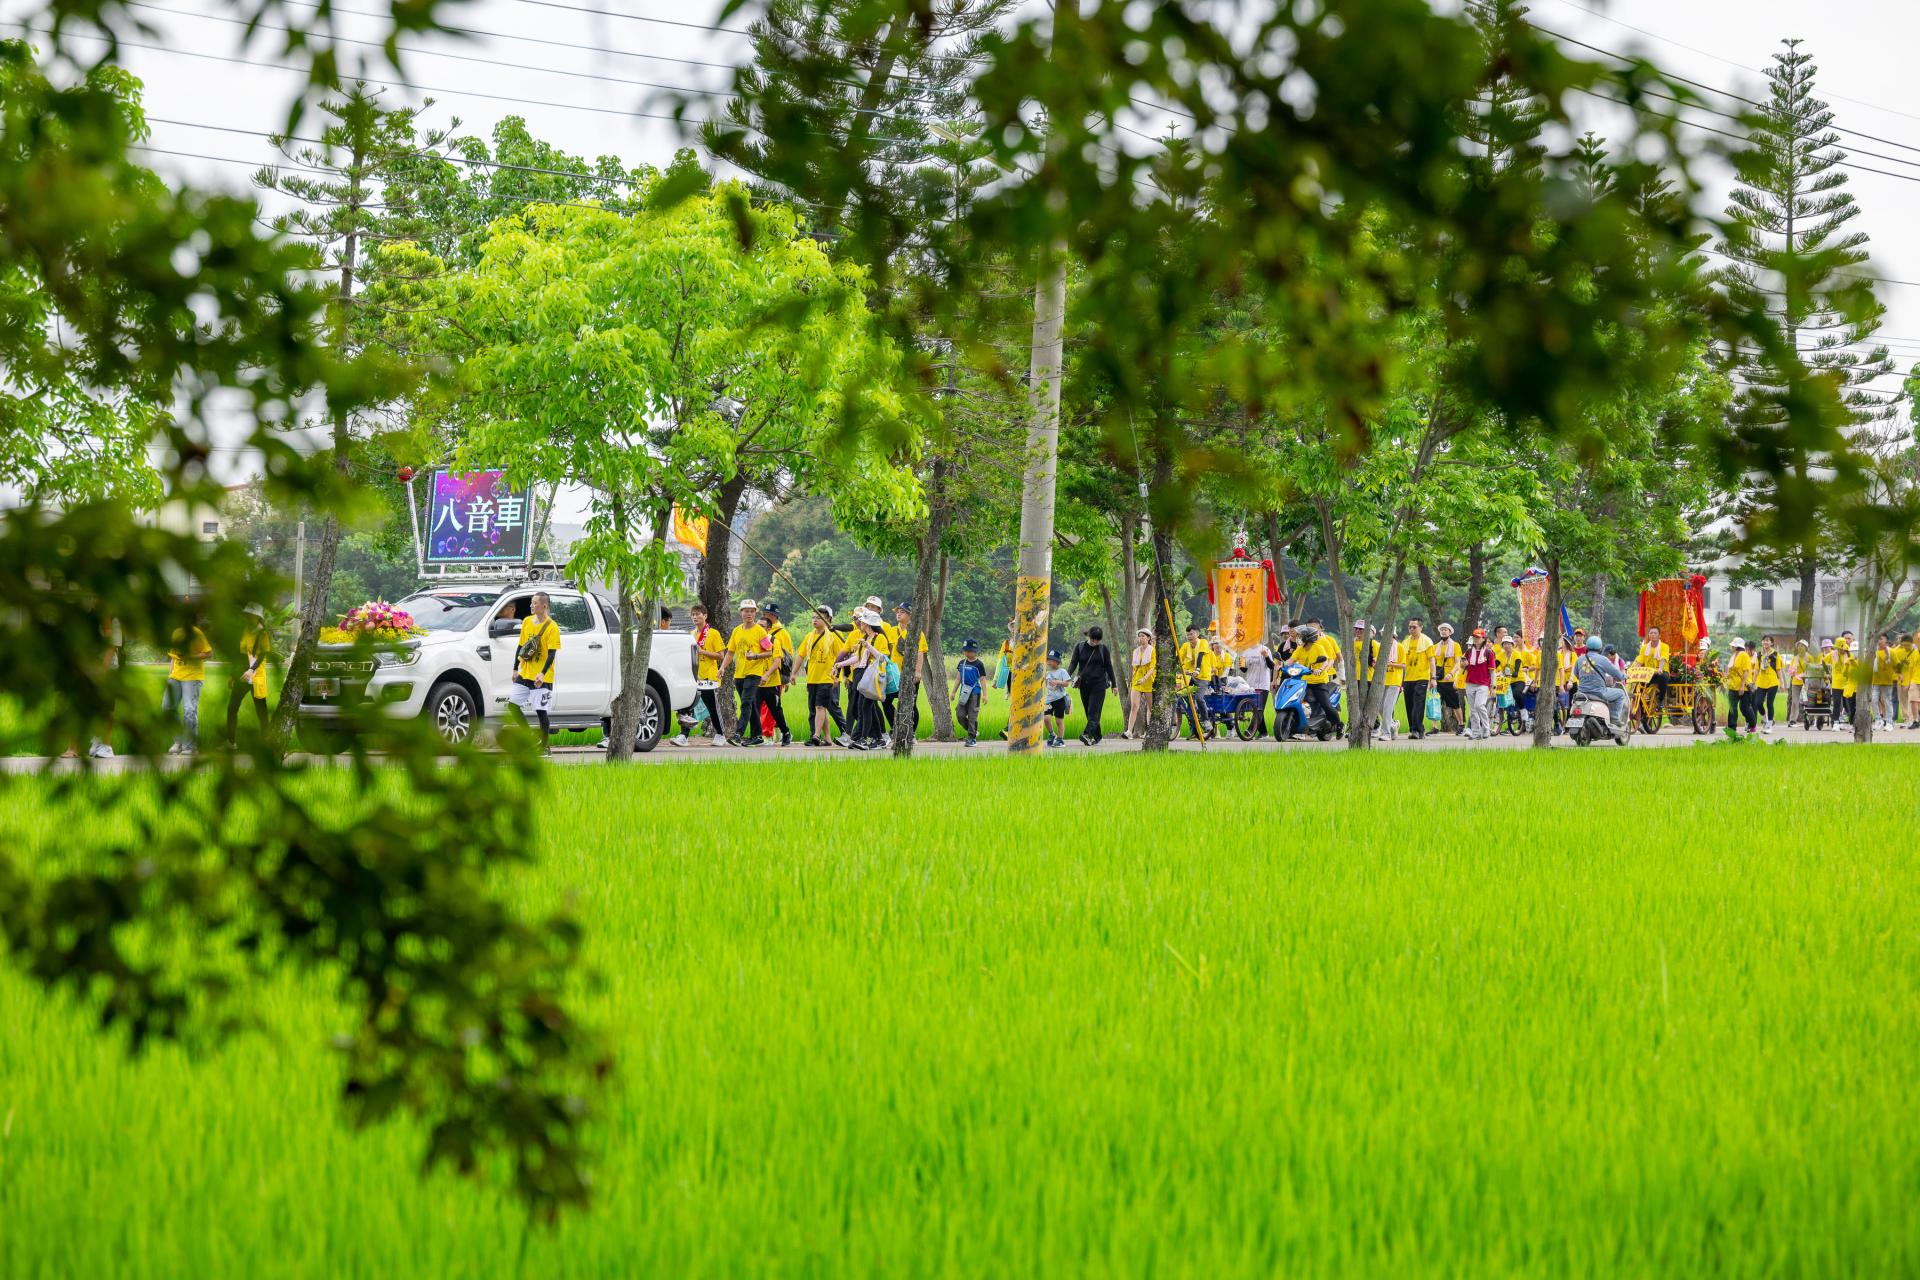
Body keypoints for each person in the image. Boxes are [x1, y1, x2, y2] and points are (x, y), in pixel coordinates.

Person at [506, 591, 560, 751]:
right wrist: (516, 668)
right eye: (531, 602)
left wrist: (542, 674)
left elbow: (552, 654)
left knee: (541, 711)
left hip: (541, 676)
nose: (531, 605)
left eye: (535, 603)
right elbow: (521, 646)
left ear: (544, 606)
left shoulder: (552, 627)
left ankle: (544, 746)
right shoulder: (527, 621)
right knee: (513, 706)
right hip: (525, 672)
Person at [673, 603, 727, 747]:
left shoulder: (713, 633)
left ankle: (720, 734)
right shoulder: (691, 635)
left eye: (698, 614)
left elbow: (721, 655)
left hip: (708, 676)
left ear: (705, 616)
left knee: (712, 706)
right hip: (694, 676)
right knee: (688, 705)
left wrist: (702, 652)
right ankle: (684, 735)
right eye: (693, 615)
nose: (695, 617)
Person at [720, 599, 772, 746]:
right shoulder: (736, 631)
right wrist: (722, 667)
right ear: (741, 612)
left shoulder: (760, 631)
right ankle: (757, 735)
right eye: (746, 611)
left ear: (755, 613)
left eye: (752, 611)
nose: (749, 613)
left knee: (746, 703)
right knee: (751, 705)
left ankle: (738, 734)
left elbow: (769, 652)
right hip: (739, 674)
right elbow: (730, 652)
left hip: (754, 673)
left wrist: (755, 656)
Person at [795, 606, 845, 746]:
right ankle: (827, 737)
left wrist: (837, 676)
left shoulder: (834, 635)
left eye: (819, 617)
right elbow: (800, 655)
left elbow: (841, 657)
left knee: (820, 707)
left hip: (827, 677)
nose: (815, 620)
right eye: (814, 617)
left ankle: (816, 735)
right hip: (812, 678)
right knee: (815, 709)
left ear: (828, 619)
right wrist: (793, 673)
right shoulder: (809, 637)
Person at [164, 612, 212, 755]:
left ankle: (190, 746)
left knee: (189, 710)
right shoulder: (176, 633)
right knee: (167, 708)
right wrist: (170, 675)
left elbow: (208, 653)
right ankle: (178, 742)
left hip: (193, 676)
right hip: (176, 676)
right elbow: (173, 657)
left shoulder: (197, 634)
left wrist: (191, 656)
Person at [226, 603, 272, 748]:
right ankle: (231, 742)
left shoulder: (262, 633)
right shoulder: (246, 631)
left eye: (250, 615)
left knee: (261, 711)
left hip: (256, 676)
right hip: (242, 676)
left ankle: (267, 743)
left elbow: (263, 654)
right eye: (247, 614)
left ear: (257, 616)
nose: (247, 617)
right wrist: (232, 675)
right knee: (232, 708)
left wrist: (252, 670)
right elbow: (240, 655)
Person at [1069, 626, 1118, 744]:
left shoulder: (1103, 649)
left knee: (1094, 711)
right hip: (1084, 685)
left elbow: (1109, 667)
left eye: (1097, 640)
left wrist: (1114, 685)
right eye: (1093, 639)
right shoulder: (1080, 647)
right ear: (1088, 636)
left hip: (1099, 684)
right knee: (1088, 711)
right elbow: (1073, 664)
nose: (1095, 642)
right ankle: (1098, 737)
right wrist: (1065, 676)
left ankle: (1086, 734)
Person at [757, 602, 796, 746]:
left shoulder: (781, 634)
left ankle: (768, 734)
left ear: (773, 616)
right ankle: (775, 732)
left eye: (768, 615)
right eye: (765, 614)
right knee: (762, 706)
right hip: (759, 675)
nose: (765, 616)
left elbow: (787, 657)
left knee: (771, 707)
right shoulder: (757, 633)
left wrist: (785, 678)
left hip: (774, 676)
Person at [1573, 635, 1628, 728]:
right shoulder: (1603, 659)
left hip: (1582, 692)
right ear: (1600, 648)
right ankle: (1614, 718)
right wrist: (1624, 676)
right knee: (1621, 693)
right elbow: (1616, 673)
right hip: (1599, 692)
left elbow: (1576, 674)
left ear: (1587, 646)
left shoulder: (1580, 659)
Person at [1295, 623, 1341, 733]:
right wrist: (1280, 665)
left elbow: (1327, 660)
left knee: (1326, 705)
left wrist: (1320, 670)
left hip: (1319, 681)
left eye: (1301, 636)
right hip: (1304, 682)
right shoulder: (1300, 648)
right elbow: (1291, 660)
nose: (1299, 638)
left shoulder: (1320, 646)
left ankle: (1339, 725)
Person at [1399, 618, 1433, 739]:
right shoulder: (1405, 642)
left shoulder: (1427, 641)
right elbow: (1402, 661)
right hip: (1408, 678)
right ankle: (1416, 729)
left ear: (1421, 627)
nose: (1412, 629)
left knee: (1418, 703)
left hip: (1422, 677)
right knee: (1409, 704)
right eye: (1410, 627)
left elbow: (1432, 660)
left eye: (1414, 627)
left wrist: (1432, 678)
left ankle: (1416, 730)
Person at [951, 640, 988, 746]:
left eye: (969, 651)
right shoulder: (962, 663)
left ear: (975, 652)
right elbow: (958, 678)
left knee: (972, 716)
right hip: (963, 693)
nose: (967, 653)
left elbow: (983, 679)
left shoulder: (979, 664)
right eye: (965, 651)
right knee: (960, 715)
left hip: (975, 693)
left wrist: (985, 695)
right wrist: (953, 692)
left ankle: (972, 738)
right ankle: (973, 731)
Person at [1462, 627, 1495, 740]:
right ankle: (1476, 732)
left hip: (1483, 683)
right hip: (1470, 683)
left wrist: (1493, 686)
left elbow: (1492, 671)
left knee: (1479, 705)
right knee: (1473, 709)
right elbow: (1463, 666)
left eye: (1478, 637)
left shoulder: (1488, 652)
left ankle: (1486, 728)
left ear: (1483, 639)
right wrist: (1463, 664)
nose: (1476, 639)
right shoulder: (1469, 652)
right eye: (1474, 637)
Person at [1239, 636, 1275, 737]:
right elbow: (1244, 670)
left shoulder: (1265, 649)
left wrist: (1266, 656)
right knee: (1257, 709)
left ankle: (1250, 731)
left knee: (1259, 709)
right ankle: (1264, 733)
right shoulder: (1245, 651)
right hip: (1250, 685)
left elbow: (1272, 666)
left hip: (1263, 684)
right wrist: (1241, 665)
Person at [1634, 627, 1673, 720]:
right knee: (1637, 689)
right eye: (1651, 633)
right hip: (1648, 673)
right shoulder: (1644, 647)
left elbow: (1663, 658)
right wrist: (1634, 668)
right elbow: (1639, 660)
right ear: (1649, 635)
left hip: (1660, 672)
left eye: (1655, 633)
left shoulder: (1664, 646)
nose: (1652, 635)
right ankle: (1640, 710)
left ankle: (1660, 699)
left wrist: (1660, 668)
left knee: (1664, 677)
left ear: (1659, 635)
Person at [1125, 627, 1156, 739]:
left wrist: (1145, 678)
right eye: (1140, 636)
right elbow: (1134, 668)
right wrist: (1133, 680)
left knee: (1150, 707)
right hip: (1137, 680)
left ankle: (1149, 731)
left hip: (1148, 680)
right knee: (1134, 706)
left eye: (1143, 636)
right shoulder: (1136, 651)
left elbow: (1152, 667)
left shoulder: (1152, 650)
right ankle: (1129, 731)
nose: (1141, 638)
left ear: (1148, 638)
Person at [1431, 623, 1462, 733]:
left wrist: (1451, 673)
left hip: (1449, 679)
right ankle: (1434, 727)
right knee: (1435, 702)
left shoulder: (1456, 646)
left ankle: (1461, 724)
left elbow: (1458, 662)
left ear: (1450, 632)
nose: (1443, 631)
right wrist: (1432, 678)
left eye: (1446, 630)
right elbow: (1432, 663)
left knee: (1455, 704)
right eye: (1442, 630)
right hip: (1438, 679)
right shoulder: (1435, 647)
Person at [1723, 636, 1757, 734]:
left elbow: (1746, 671)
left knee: (1745, 708)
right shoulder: (1734, 655)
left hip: (1744, 687)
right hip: (1733, 686)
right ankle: (1732, 728)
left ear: (1736, 646)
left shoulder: (1744, 655)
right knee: (1732, 707)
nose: (1731, 647)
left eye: (1733, 645)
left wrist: (1742, 685)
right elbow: (1731, 671)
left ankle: (1752, 724)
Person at [1871, 633, 1901, 729]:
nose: (1879, 641)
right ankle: (1878, 719)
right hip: (1875, 681)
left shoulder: (1891, 652)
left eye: (1881, 639)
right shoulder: (1873, 652)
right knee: (1873, 699)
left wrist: (1900, 674)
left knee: (1887, 701)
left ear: (1886, 641)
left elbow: (1897, 664)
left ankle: (1889, 722)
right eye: (1878, 639)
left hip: (1887, 681)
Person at [1753, 635, 1783, 732]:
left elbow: (1778, 670)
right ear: (1762, 642)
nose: (1765, 642)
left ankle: (1769, 725)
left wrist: (1782, 683)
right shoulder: (1759, 655)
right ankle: (1765, 719)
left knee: (1769, 703)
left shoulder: (1775, 654)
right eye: (1764, 640)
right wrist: (1752, 682)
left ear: (1771, 643)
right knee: (1758, 703)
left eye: (1768, 641)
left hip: (1772, 682)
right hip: (1761, 682)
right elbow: (1756, 669)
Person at [1043, 649, 1072, 747]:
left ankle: (1060, 740)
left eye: (1052, 660)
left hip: (1060, 700)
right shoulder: (1046, 673)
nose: (1049, 662)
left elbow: (1067, 683)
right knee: (1046, 719)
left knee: (1059, 721)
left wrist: (1057, 682)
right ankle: (1052, 734)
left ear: (1058, 662)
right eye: (1048, 659)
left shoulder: (1062, 671)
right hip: (1048, 700)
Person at [1786, 638, 1811, 727]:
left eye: (1802, 646)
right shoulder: (1795, 658)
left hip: (1807, 682)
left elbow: (1812, 669)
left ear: (1806, 648)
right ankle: (1793, 720)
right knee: (1795, 702)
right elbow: (1790, 670)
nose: (1800, 648)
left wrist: (1804, 674)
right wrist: (1792, 672)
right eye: (1799, 646)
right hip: (1796, 682)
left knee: (1809, 701)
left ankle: (1811, 719)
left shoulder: (1809, 657)